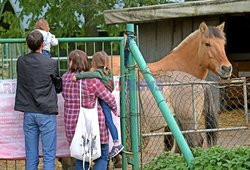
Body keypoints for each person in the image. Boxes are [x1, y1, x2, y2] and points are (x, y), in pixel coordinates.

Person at [62, 49, 118, 170]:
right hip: (94, 126)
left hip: (73, 126)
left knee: (81, 159)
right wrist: (114, 109)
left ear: (71, 62)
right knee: (102, 157)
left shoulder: (65, 78)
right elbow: (109, 98)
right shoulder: (92, 80)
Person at [14, 30, 60, 170]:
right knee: (49, 155)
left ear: (28, 45)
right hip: (46, 111)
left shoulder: (21, 61)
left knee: (31, 155)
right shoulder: (51, 63)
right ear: (42, 44)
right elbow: (58, 86)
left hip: (29, 111)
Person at [72, 51, 123, 158]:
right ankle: (116, 142)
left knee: (108, 120)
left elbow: (89, 74)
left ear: (94, 62)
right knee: (109, 120)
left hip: (104, 100)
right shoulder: (108, 71)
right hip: (107, 95)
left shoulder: (99, 73)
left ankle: (116, 143)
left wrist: (78, 76)